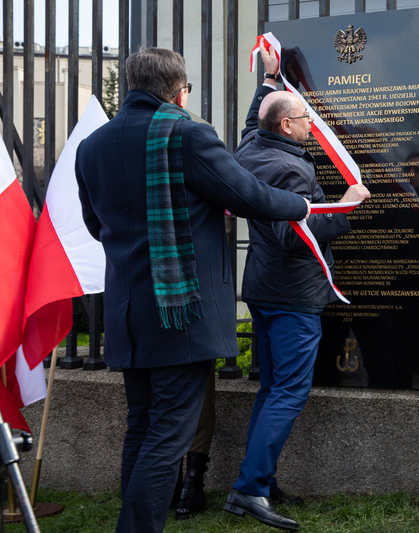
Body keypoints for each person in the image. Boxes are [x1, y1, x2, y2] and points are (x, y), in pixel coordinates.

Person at [74, 47, 310, 533]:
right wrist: (305, 206)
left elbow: (95, 225)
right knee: (166, 437)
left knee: (141, 429)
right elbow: (249, 195)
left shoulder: (91, 146)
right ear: (177, 89)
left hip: (126, 311)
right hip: (180, 313)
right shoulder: (185, 133)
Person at [224, 90, 370, 531]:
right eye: (305, 118)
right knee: (288, 392)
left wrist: (268, 81)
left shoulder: (252, 151)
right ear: (286, 125)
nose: (312, 124)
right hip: (292, 298)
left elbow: (252, 127)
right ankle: (249, 489)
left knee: (272, 390)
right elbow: (294, 236)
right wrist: (347, 205)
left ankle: (258, 481)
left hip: (265, 292)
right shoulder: (289, 168)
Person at [172, 40, 283, 521]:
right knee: (180, 391)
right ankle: (181, 483)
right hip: (177, 284)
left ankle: (190, 482)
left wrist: (265, 85)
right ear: (180, 95)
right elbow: (243, 168)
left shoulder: (196, 145)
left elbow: (245, 148)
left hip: (174, 288)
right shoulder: (189, 139)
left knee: (187, 393)